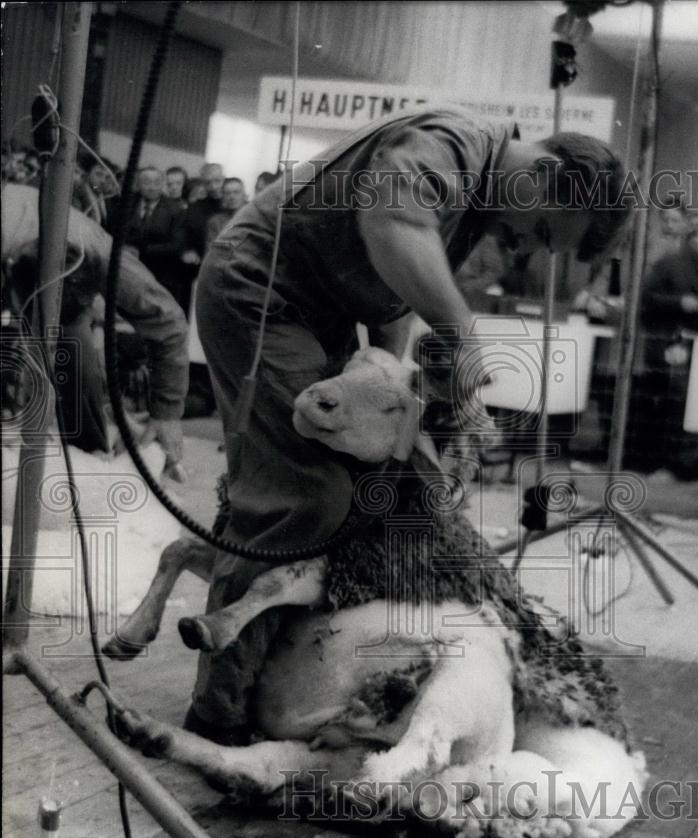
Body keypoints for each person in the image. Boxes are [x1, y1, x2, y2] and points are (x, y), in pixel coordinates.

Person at [184, 106, 629, 744]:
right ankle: (217, 712)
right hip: (258, 295)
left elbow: (388, 287)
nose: (523, 244)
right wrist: (462, 330)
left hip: (315, 313)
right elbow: (393, 223)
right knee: (311, 491)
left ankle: (277, 668)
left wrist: (392, 366)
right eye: (536, 227)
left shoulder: (475, 197)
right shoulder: (447, 143)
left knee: (382, 484)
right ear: (548, 174)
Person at [2, 183, 189, 470]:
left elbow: (170, 322)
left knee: (75, 358)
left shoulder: (104, 255)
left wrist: (166, 413)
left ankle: (91, 462)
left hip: (65, 263)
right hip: (19, 252)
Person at [634, 216, 698, 475]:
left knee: (693, 401)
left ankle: (687, 464)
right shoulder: (670, 263)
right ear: (692, 238)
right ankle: (661, 462)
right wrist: (678, 302)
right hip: (665, 338)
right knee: (670, 399)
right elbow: (646, 296)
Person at [124, 165, 186, 309]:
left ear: (162, 184)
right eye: (146, 182)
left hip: (160, 272)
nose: (152, 187)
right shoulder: (127, 203)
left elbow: (177, 245)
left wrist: (142, 251)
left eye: (156, 183)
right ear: (138, 184)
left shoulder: (176, 210)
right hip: (127, 269)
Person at [205, 177, 248, 246]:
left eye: (236, 192)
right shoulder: (215, 222)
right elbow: (211, 251)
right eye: (228, 193)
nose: (232, 197)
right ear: (223, 197)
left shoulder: (255, 219)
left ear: (244, 195)